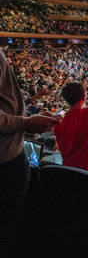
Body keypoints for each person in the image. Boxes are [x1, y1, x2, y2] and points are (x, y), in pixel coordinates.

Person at [0, 49, 59, 257]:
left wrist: (30, 105)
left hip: (10, 155)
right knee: (6, 229)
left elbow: (5, 103)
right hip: (5, 161)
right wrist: (26, 123)